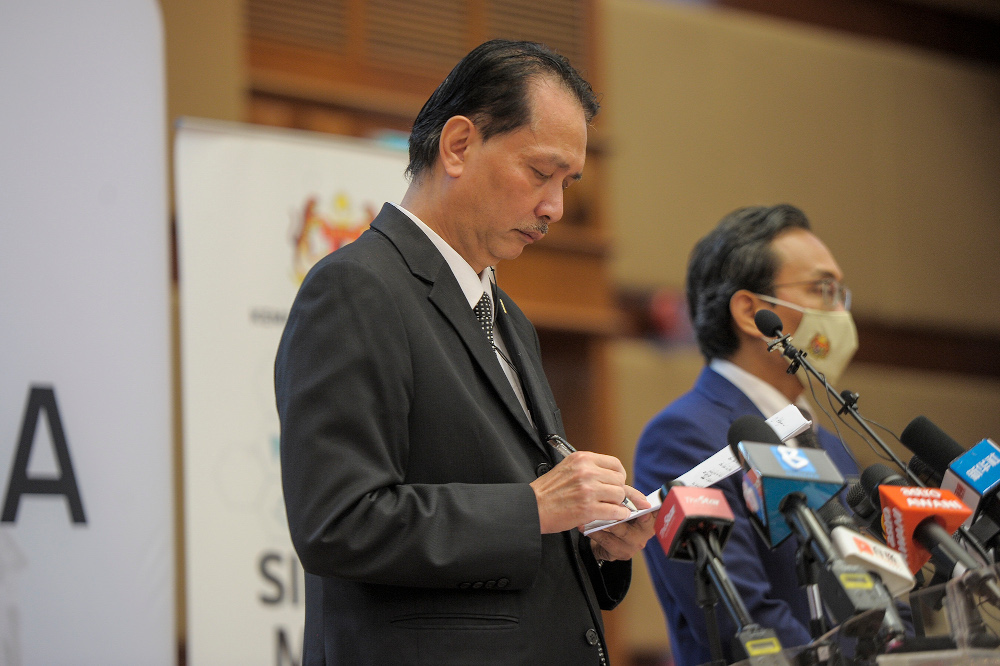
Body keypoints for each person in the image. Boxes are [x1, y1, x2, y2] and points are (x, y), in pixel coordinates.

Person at [275, 39, 655, 665]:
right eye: (540, 173)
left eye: (568, 182)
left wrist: (592, 537)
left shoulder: (507, 316)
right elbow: (337, 521)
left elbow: (514, 522)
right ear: (458, 146)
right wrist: (534, 507)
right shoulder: (356, 288)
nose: (554, 207)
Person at [633, 204, 860, 666]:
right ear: (751, 312)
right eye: (823, 290)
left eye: (842, 293)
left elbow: (875, 587)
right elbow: (744, 615)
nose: (841, 312)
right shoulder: (683, 436)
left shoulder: (830, 443)